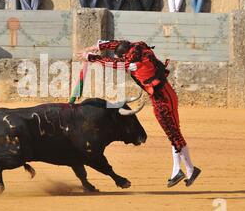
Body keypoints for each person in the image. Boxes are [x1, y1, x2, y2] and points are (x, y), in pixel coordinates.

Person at [77, 39, 202, 188]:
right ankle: (185, 170)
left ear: (125, 55)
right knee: (174, 134)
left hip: (162, 101)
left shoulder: (132, 64)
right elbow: (119, 43)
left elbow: (111, 63)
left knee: (174, 135)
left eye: (121, 57)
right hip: (168, 95)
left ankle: (186, 169)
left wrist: (90, 57)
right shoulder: (140, 48)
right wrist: (96, 46)